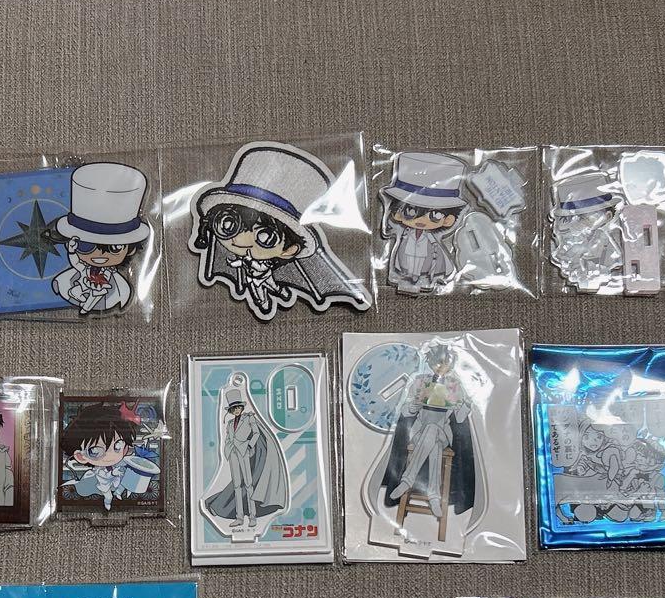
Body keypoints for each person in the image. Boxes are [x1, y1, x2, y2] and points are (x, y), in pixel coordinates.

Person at [191, 142, 371, 321]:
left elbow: (252, 264)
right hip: (253, 279)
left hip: (265, 275)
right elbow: (241, 262)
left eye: (264, 237)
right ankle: (264, 301)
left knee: (271, 285)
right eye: (229, 224)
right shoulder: (238, 255)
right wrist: (234, 262)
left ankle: (278, 291)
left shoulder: (268, 261)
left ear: (289, 250)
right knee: (258, 292)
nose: (241, 240)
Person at [382, 345, 475, 520]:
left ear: (451, 364)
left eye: (445, 363)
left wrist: (466, 404)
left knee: (433, 431)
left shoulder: (454, 386)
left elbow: (460, 418)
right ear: (431, 363)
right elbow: (405, 412)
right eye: (437, 363)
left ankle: (407, 480)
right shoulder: (420, 381)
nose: (441, 367)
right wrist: (414, 405)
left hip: (443, 433)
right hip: (419, 433)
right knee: (434, 444)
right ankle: (434, 495)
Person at [47, 162, 150, 314]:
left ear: (130, 249)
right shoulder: (85, 268)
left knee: (100, 294)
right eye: (87, 246)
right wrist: (72, 252)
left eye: (114, 248)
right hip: (81, 284)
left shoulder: (109, 274)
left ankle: (87, 307)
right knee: (76, 288)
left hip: (104, 292)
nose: (100, 255)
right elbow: (76, 263)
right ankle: (83, 301)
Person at [381, 152, 466, 292]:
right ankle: (408, 274)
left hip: (424, 251)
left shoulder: (430, 236)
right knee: (407, 261)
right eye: (410, 212)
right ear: (397, 213)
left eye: (434, 215)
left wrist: (435, 248)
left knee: (420, 263)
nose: (420, 220)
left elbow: (433, 244)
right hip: (407, 249)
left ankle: (416, 276)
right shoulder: (405, 232)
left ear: (448, 219)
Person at [203, 392, 288, 530]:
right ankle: (239, 517)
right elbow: (228, 438)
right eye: (234, 408)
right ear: (231, 410)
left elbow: (256, 433)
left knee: (248, 485)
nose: (237, 410)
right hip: (233, 454)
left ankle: (252, 517)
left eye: (238, 407)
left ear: (242, 408)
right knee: (237, 486)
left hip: (245, 452)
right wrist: (228, 449)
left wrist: (249, 446)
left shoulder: (249, 418)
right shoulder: (230, 423)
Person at [60, 401, 146, 511]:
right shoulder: (99, 470)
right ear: (81, 456)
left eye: (118, 445)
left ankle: (118, 493)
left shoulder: (121, 459)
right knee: (108, 495)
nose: (110, 455)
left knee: (124, 483)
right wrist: (115, 472)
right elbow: (105, 474)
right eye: (95, 451)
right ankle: (107, 502)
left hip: (116, 480)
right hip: (104, 483)